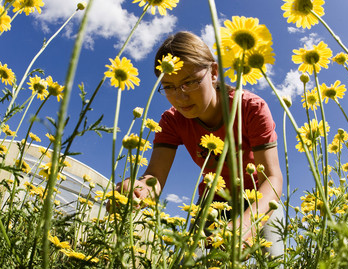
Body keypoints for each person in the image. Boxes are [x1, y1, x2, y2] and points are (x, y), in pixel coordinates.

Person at [118, 31, 284, 258]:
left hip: (259, 200)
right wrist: (139, 189)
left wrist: (245, 225)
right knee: (191, 261)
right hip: (211, 201)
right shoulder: (171, 120)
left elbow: (273, 179)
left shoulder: (251, 108)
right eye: (169, 86)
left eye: (190, 82)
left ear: (214, 72)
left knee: (273, 258)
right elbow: (154, 176)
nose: (180, 97)